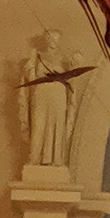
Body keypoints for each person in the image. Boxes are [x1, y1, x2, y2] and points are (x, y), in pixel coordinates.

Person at [19, 29, 81, 166]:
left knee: (57, 124)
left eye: (56, 38)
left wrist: (74, 65)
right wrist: (29, 66)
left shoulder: (63, 59)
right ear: (46, 39)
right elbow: (29, 77)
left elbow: (70, 81)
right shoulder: (37, 56)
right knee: (38, 124)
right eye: (51, 38)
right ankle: (34, 158)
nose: (54, 41)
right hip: (41, 93)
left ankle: (55, 158)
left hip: (58, 95)